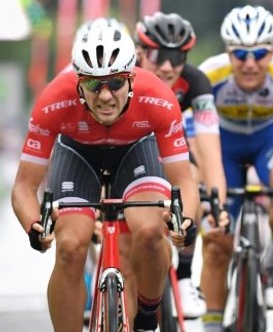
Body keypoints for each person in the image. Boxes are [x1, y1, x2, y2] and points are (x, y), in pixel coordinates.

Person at [11, 25, 199, 332]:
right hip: (77, 154)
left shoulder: (160, 99)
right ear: (78, 84)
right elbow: (23, 187)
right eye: (94, 85)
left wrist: (186, 221)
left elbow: (185, 181)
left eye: (115, 83)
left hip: (137, 149)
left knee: (151, 232)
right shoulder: (53, 101)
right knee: (71, 247)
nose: (106, 95)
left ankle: (148, 316)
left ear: (131, 79)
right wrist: (34, 226)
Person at [197, 4, 273, 332]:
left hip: (270, 140)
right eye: (240, 55)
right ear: (228, 53)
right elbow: (197, 142)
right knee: (218, 240)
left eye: (260, 54)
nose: (250, 64)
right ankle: (211, 323)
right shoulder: (209, 76)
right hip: (224, 146)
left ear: (272, 52)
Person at [135, 11, 227, 319]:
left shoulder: (196, 81)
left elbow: (210, 145)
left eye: (177, 57)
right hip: (126, 149)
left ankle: (185, 275)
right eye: (159, 55)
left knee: (195, 181)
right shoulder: (126, 75)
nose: (167, 66)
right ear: (139, 53)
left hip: (169, 146)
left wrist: (218, 202)